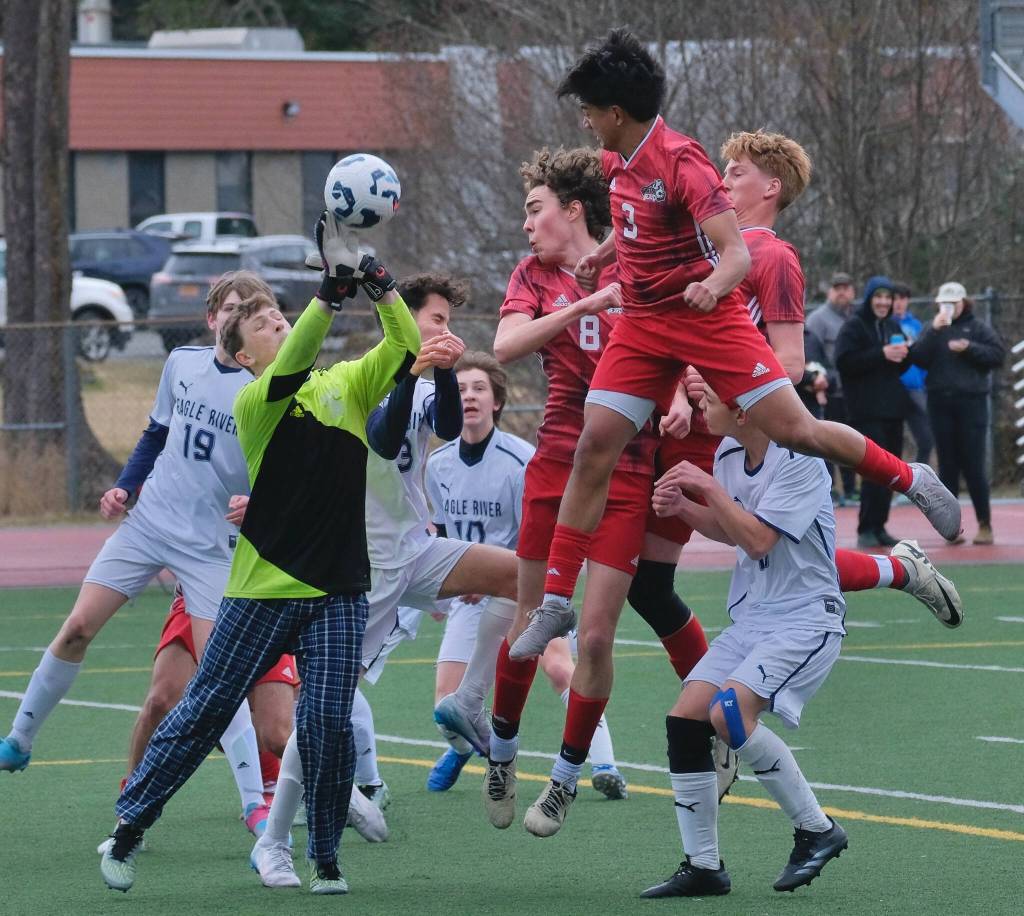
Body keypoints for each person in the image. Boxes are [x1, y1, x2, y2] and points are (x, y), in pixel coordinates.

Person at [514, 29, 959, 671]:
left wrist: (710, 291)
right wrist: (603, 260)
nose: (583, 120)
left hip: (703, 323)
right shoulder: (616, 163)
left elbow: (736, 256)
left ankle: (911, 478)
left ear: (615, 112)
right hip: (643, 324)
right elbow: (637, 224)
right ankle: (556, 600)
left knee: (800, 434)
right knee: (594, 448)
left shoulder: (683, 162)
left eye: (588, 108)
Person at [98, 215, 420, 896]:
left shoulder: (346, 387)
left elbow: (405, 343)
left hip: (339, 584)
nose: (278, 322)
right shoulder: (257, 400)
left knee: (328, 718)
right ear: (243, 356)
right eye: (265, 323)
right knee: (205, 707)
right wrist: (330, 294)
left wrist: (380, 282)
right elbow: (301, 350)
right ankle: (128, 827)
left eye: (281, 313)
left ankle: (325, 856)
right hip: (266, 585)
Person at [1, 272, 274, 839]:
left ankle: (255, 804)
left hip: (210, 551)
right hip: (149, 526)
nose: (235, 317)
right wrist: (126, 485)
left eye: (249, 312)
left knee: (219, 677)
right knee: (76, 626)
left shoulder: (266, 391)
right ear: (211, 319)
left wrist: (261, 502)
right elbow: (156, 433)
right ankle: (20, 738)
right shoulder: (181, 363)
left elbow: (286, 474)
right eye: (228, 308)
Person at [641, 383, 848, 898]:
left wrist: (704, 489)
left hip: (806, 618)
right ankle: (704, 866)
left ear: (741, 407)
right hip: (754, 618)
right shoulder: (730, 450)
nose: (697, 401)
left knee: (728, 713)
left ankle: (817, 829)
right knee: (686, 717)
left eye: (706, 394)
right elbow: (732, 529)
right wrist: (684, 509)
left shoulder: (800, 457)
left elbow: (758, 539)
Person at [427, 352, 625, 797]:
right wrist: (451, 591)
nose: (470, 398)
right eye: (459, 391)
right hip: (467, 594)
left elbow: (539, 538)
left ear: (498, 401)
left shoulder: (522, 460)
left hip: (523, 588)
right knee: (446, 703)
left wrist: (493, 576)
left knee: (558, 666)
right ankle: (463, 749)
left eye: (479, 389)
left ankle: (607, 763)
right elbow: (440, 532)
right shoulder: (437, 465)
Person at [911, 282, 1006, 545]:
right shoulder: (933, 328)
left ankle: (984, 524)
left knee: (973, 466)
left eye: (955, 303)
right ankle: (951, 528)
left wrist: (969, 348)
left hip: (972, 404)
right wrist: (933, 331)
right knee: (948, 466)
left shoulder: (977, 328)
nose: (950, 308)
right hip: (940, 403)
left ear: (965, 302)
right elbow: (917, 357)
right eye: (945, 303)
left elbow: (997, 355)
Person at [834, 276, 912, 548]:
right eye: (878, 297)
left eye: (887, 298)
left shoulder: (892, 325)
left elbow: (897, 367)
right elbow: (844, 362)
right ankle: (866, 526)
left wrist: (905, 354)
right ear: (869, 299)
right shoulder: (854, 327)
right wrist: (881, 353)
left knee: (892, 472)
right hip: (866, 411)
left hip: (892, 409)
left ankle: (880, 525)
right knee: (873, 471)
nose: (883, 302)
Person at [806, 272, 859, 504]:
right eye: (837, 287)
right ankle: (829, 488)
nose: (841, 292)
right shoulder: (818, 319)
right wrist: (820, 378)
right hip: (827, 390)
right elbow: (810, 353)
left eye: (846, 287)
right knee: (828, 442)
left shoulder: (855, 318)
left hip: (852, 389)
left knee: (850, 441)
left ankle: (850, 488)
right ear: (830, 292)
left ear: (852, 291)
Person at [892, 283, 934, 465]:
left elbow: (924, 355)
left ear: (907, 300)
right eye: (895, 298)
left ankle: (916, 482)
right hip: (894, 389)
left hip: (917, 389)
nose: (898, 303)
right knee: (892, 442)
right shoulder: (886, 324)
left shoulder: (916, 325)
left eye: (902, 298)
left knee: (926, 440)